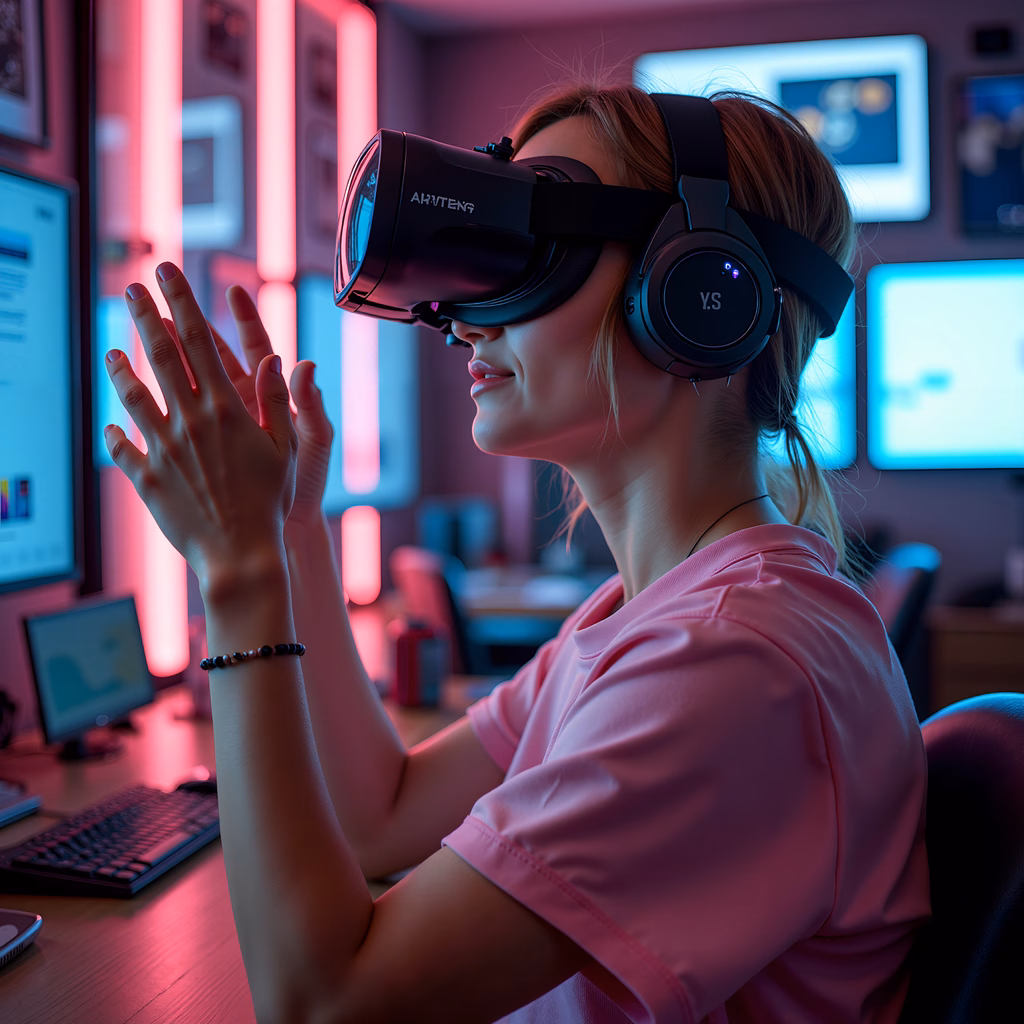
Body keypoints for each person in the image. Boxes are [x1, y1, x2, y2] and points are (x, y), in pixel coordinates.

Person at [104, 79, 929, 1023]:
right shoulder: (648, 617)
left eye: (538, 256)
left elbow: (326, 1005)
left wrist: (238, 576)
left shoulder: (734, 663)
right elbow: (379, 813)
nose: (466, 318)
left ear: (702, 291)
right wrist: (291, 533)